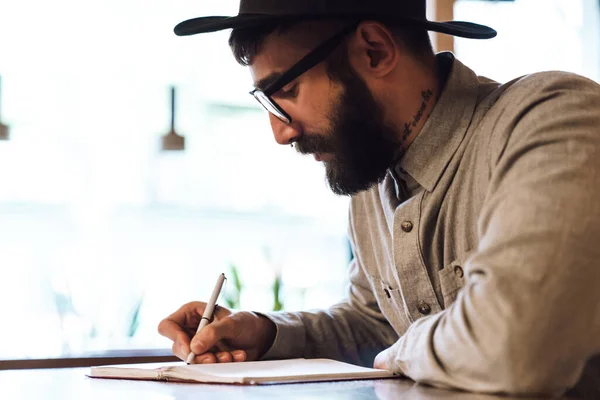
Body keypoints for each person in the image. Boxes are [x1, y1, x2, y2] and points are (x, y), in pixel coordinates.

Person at [158, 0, 600, 397]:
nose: (281, 131)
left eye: (287, 93)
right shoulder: (374, 172)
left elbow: (518, 346)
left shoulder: (553, 119)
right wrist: (268, 333)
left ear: (375, 50)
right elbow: (378, 323)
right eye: (268, 102)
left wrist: (408, 348)